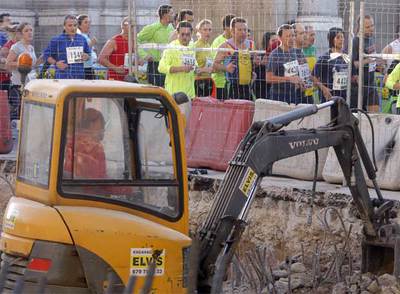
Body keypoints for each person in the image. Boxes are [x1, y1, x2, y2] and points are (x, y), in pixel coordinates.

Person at [159, 21, 207, 100]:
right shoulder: (171, 48)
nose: (185, 37)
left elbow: (194, 66)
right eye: (182, 34)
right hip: (174, 95)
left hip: (190, 95)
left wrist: (202, 70)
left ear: (191, 34)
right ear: (177, 33)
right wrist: (181, 69)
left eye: (187, 34)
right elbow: (161, 67)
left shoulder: (192, 46)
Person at [266, 24, 312, 104]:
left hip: (296, 96)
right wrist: (289, 79)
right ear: (280, 38)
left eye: (293, 35)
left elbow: (305, 74)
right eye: (287, 36)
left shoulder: (298, 53)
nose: (291, 39)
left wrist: (305, 83)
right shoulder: (275, 54)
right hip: (279, 96)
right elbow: (268, 78)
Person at [213, 17, 255, 100]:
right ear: (232, 31)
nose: (243, 32)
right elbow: (215, 65)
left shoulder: (251, 45)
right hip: (232, 86)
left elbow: (252, 63)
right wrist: (226, 68)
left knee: (249, 111)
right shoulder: (226, 46)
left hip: (248, 86)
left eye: (245, 30)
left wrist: (255, 65)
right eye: (239, 30)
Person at [6, 23, 37, 120]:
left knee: (29, 112)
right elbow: (8, 63)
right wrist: (21, 64)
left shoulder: (31, 48)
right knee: (19, 112)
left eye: (31, 30)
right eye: (26, 31)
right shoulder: (16, 47)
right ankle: (16, 132)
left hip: (30, 84)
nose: (29, 33)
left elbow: (32, 65)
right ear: (20, 34)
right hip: (18, 85)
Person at [43, 15, 91, 79]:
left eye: (75, 25)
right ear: (64, 27)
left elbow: (88, 54)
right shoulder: (56, 40)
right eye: (70, 25)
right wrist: (56, 63)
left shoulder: (82, 39)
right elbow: (46, 55)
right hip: (62, 77)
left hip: (79, 77)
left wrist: (87, 56)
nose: (73, 28)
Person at [137, 5, 174, 87]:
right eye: (171, 13)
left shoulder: (171, 28)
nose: (173, 15)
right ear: (165, 15)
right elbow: (136, 40)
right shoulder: (152, 28)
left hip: (168, 65)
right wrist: (144, 55)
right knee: (156, 92)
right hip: (155, 65)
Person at [351, 15, 380, 112]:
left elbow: (372, 61)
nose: (371, 29)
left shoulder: (371, 39)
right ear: (360, 27)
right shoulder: (356, 41)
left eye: (372, 25)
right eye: (368, 27)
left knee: (374, 118)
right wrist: (367, 60)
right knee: (359, 118)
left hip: (371, 84)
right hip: (358, 87)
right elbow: (353, 64)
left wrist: (378, 64)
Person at [313, 27, 349, 103]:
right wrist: (324, 88)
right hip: (329, 97)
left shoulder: (346, 57)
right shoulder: (325, 58)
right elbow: (313, 77)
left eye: (342, 37)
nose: (341, 40)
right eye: (338, 37)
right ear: (331, 40)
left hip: (343, 97)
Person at [99, 17, 141, 81]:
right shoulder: (114, 41)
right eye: (131, 25)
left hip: (128, 77)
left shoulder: (133, 41)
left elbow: (132, 60)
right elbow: (101, 59)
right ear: (123, 26)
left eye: (134, 26)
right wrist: (116, 68)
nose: (133, 28)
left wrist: (138, 61)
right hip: (114, 78)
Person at [211, 14, 235, 100]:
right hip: (219, 83)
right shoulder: (218, 42)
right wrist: (226, 68)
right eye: (233, 27)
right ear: (226, 27)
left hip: (231, 82)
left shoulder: (235, 41)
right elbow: (213, 64)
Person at [253, 32, 279, 99]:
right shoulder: (260, 57)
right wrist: (261, 64)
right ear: (267, 43)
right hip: (263, 89)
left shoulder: (281, 56)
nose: (276, 43)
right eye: (273, 41)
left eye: (277, 40)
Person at [193, 19, 214, 97]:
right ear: (199, 31)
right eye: (205, 30)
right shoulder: (195, 46)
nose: (208, 32)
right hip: (197, 82)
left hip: (208, 81)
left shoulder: (208, 45)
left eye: (209, 30)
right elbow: (190, 67)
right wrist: (204, 70)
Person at [77, 14, 97, 80]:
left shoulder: (86, 36)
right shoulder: (79, 36)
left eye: (89, 22)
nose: (88, 24)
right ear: (79, 25)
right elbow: (80, 51)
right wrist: (91, 44)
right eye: (86, 22)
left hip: (89, 66)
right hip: (84, 68)